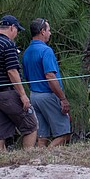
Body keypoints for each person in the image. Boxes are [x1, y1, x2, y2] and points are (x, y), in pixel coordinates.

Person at [0, 16, 38, 152]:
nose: (16, 33)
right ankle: (28, 160)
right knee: (30, 125)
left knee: (0, 134)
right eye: (17, 29)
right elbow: (12, 71)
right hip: (7, 93)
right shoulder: (8, 44)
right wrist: (23, 95)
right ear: (12, 27)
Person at [22, 18, 71, 147]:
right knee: (63, 133)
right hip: (47, 94)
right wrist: (63, 98)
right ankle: (48, 158)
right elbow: (50, 76)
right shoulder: (46, 51)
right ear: (42, 31)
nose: (50, 33)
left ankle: (38, 161)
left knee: (42, 136)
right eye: (49, 30)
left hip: (34, 95)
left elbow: (26, 77)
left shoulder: (26, 53)